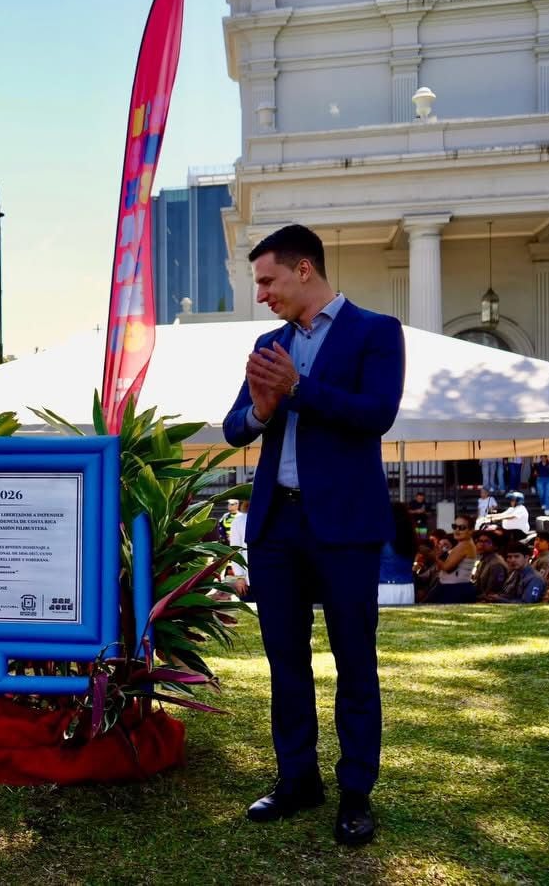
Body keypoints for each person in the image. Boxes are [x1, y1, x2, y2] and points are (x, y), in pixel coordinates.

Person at [222, 224, 403, 847]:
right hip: (276, 525)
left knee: (355, 661)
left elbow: (376, 414)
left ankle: (356, 793)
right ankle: (297, 779)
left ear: (304, 270)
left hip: (345, 525)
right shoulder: (269, 343)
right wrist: (262, 410)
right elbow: (234, 427)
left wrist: (298, 390)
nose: (262, 294)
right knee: (285, 662)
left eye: (268, 280)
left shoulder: (376, 332)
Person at [429, 518, 477, 603]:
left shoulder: (465, 545)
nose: (457, 530)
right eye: (454, 527)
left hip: (455, 589)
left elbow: (447, 567)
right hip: (454, 587)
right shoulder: (463, 544)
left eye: (462, 528)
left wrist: (434, 556)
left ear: (471, 530)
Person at [490, 539, 547, 604]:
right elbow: (508, 594)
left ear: (526, 558)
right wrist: (496, 597)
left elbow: (527, 604)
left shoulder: (535, 578)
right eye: (509, 557)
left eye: (516, 556)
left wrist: (499, 599)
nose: (512, 560)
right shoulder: (515, 573)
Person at [471, 530, 509, 602]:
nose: (481, 544)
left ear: (495, 546)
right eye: (480, 541)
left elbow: (491, 593)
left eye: (487, 542)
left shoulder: (496, 564)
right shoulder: (483, 560)